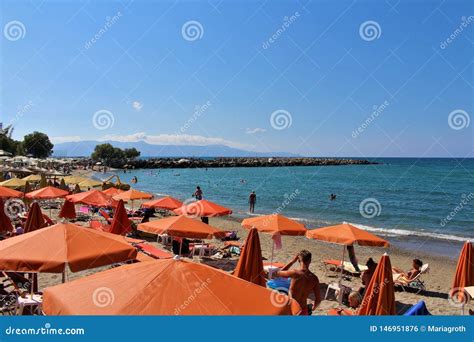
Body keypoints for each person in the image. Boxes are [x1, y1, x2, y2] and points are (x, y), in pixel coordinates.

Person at [273, 250, 321, 315]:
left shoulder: (295, 273)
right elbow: (318, 300)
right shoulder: (314, 278)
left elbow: (278, 273)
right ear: (310, 261)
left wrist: (292, 262)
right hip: (303, 310)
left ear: (298, 260)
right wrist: (313, 308)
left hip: (291, 308)